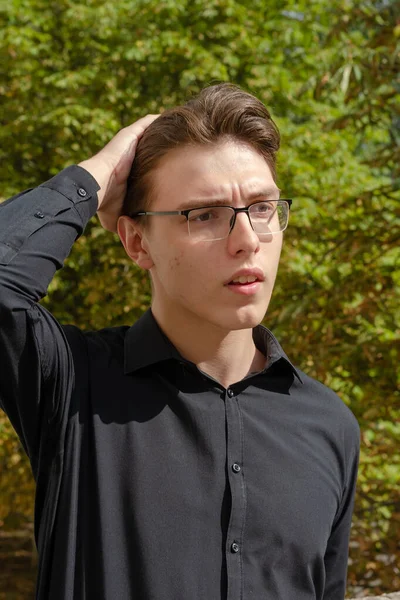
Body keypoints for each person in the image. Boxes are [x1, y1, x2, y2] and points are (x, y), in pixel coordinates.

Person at [0, 83, 360, 600]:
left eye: (261, 208)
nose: (247, 240)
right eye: (204, 214)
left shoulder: (329, 426)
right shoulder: (74, 386)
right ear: (136, 241)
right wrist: (98, 175)